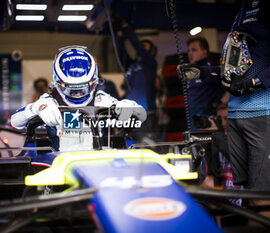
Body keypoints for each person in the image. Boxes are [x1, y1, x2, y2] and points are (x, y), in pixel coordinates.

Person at [179, 0, 270, 191]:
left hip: (261, 115)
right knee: (244, 193)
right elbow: (232, 71)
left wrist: (255, 82)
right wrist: (202, 72)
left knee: (261, 195)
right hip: (237, 115)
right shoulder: (241, 11)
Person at [11, 46, 146, 151]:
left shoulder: (101, 99)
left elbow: (142, 115)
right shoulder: (49, 101)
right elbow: (15, 122)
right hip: (61, 168)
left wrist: (128, 107)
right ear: (57, 82)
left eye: (83, 88)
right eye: (71, 88)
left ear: (94, 81)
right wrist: (38, 107)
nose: (78, 94)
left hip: (96, 163)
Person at [115, 19, 158, 142]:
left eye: (145, 47)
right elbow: (121, 53)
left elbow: (138, 47)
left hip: (145, 116)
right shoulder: (131, 65)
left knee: (146, 148)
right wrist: (119, 36)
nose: (140, 48)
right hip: (128, 116)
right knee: (126, 146)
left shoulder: (150, 64)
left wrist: (127, 29)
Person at [185, 37, 225, 126]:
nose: (190, 53)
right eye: (188, 51)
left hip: (208, 122)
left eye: (194, 50)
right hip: (193, 121)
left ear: (204, 52)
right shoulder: (191, 72)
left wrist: (219, 104)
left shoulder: (212, 69)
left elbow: (232, 87)